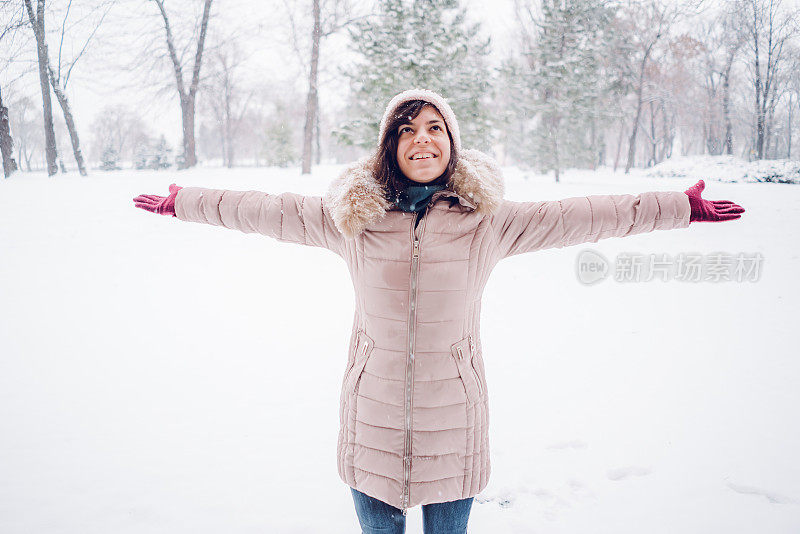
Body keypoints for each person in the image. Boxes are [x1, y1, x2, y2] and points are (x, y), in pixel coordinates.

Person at [133, 88, 745, 534]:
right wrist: (186, 200)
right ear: (388, 147)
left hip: (453, 423)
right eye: (407, 130)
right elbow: (265, 209)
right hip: (371, 423)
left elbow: (583, 214)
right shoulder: (353, 221)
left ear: (450, 144)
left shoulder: (487, 224)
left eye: (434, 128)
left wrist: (677, 206)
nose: (421, 139)